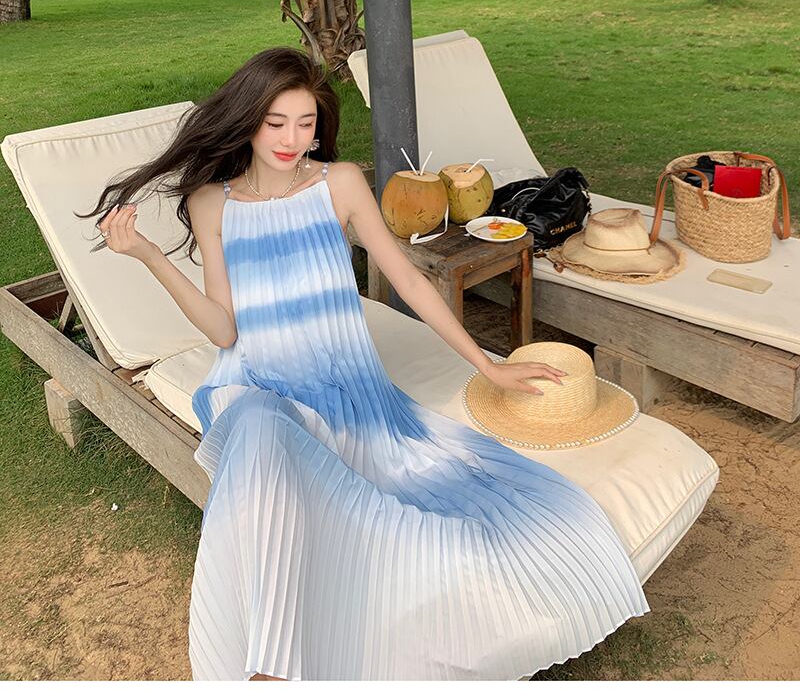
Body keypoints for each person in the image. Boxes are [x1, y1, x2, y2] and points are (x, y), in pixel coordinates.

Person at [88, 46, 649, 681]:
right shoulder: (212, 203)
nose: (291, 140)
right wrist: (149, 256)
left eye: (305, 123)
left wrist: (487, 366)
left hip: (345, 388)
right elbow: (224, 329)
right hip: (256, 380)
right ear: (247, 120)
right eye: (276, 123)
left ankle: (272, 672)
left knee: (370, 494)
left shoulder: (340, 184)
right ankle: (265, 673)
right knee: (259, 429)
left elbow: (408, 280)